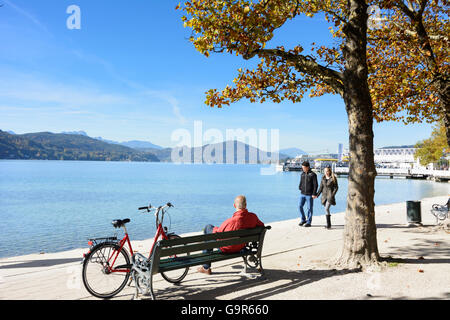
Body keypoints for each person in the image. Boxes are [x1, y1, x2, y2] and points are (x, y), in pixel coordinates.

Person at [197, 195, 265, 275]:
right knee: (212, 234)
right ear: (246, 205)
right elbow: (262, 226)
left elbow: (217, 234)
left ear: (234, 205)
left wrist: (216, 228)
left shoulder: (230, 222)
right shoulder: (253, 217)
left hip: (227, 248)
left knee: (208, 228)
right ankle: (206, 266)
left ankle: (206, 267)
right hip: (241, 247)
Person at [298, 161, 318, 227]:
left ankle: (309, 222)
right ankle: (303, 219)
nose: (303, 169)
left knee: (309, 208)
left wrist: (314, 193)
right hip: (302, 194)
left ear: (307, 167)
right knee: (300, 206)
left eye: (303, 167)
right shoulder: (302, 174)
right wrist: (300, 187)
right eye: (302, 167)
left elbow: (315, 185)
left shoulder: (313, 174)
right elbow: (301, 182)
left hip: (310, 194)